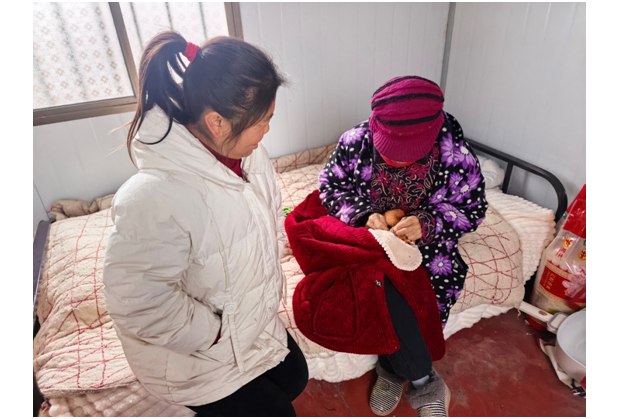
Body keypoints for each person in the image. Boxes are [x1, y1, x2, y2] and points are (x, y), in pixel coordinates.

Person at [102, 32, 308, 417]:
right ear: (217, 122)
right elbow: (140, 303)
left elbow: (267, 216)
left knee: (296, 376)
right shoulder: (152, 198)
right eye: (263, 121)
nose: (267, 130)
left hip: (247, 317)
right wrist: (213, 333)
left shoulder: (252, 157)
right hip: (194, 354)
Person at [318, 76, 488, 417]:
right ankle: (423, 380)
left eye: (409, 155)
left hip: (428, 245)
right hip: (369, 238)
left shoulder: (454, 152)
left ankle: (391, 370)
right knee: (374, 289)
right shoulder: (355, 141)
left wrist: (429, 222)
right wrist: (364, 214)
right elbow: (331, 186)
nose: (397, 162)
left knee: (424, 290)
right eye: (390, 152)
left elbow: (473, 209)